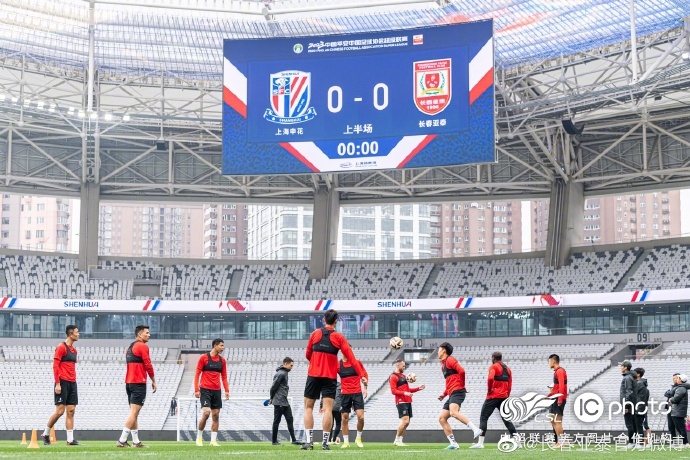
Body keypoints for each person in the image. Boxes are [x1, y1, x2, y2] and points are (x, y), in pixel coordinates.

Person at [302, 309, 366, 451]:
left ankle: (309, 442)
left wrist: (316, 363)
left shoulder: (314, 334)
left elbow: (307, 354)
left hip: (313, 375)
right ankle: (325, 443)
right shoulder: (339, 337)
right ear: (336, 321)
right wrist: (361, 375)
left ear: (324, 319)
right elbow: (352, 358)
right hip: (330, 377)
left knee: (308, 407)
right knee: (328, 410)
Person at [117, 325, 157, 448]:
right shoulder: (143, 346)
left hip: (129, 383)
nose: (149, 335)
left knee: (134, 413)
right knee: (134, 412)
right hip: (138, 382)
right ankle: (122, 440)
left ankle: (136, 441)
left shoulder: (129, 347)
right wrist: (153, 380)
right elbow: (148, 364)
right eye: (147, 333)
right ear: (140, 334)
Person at [437, 342, 480, 450]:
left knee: (453, 413)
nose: (438, 351)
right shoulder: (443, 366)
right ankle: (453, 444)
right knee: (442, 418)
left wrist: (462, 385)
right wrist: (444, 394)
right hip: (452, 392)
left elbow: (462, 371)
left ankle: (475, 429)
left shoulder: (450, 360)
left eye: (439, 349)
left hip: (458, 391)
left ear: (444, 350)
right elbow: (450, 382)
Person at [470, 351, 518, 449]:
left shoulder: (493, 367)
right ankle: (518, 442)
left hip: (493, 396)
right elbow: (510, 385)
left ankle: (480, 443)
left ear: (493, 358)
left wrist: (489, 390)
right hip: (504, 396)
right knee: (507, 420)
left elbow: (490, 378)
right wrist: (506, 396)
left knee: (484, 417)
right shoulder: (508, 369)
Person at [43, 325, 80, 446]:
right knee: (60, 411)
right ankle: (46, 433)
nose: (78, 334)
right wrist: (58, 384)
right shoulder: (61, 347)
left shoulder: (74, 350)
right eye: (77, 332)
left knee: (71, 411)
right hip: (62, 382)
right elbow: (55, 366)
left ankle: (70, 440)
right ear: (70, 334)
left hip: (72, 382)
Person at [194, 338, 230, 447]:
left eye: (223, 346)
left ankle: (213, 441)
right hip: (205, 390)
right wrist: (196, 389)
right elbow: (197, 374)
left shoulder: (222, 361)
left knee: (216, 415)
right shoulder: (203, 358)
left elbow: (224, 377)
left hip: (217, 391)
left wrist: (227, 390)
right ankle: (199, 438)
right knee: (206, 413)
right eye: (221, 345)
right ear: (215, 346)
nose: (223, 348)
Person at [389, 359, 425, 447]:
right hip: (401, 401)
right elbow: (393, 391)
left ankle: (400, 440)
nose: (404, 367)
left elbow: (408, 390)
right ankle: (396, 440)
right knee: (405, 421)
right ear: (398, 365)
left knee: (407, 422)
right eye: (403, 366)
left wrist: (418, 388)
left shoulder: (404, 376)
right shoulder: (393, 376)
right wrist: (405, 393)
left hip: (408, 401)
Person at [339, 354, 368, 448]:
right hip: (345, 394)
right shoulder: (339, 364)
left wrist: (365, 387)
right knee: (344, 417)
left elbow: (364, 375)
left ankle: (358, 438)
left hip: (357, 393)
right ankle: (346, 442)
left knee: (361, 417)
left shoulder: (357, 363)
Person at [270, 357, 301, 446]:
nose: (292, 367)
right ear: (285, 364)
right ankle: (274, 441)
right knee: (277, 421)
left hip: (284, 401)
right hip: (279, 401)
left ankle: (294, 440)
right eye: (291, 365)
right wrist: (271, 397)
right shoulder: (280, 374)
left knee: (290, 419)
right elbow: (273, 387)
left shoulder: (284, 373)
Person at [547, 354, 567, 448]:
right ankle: (560, 441)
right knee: (552, 419)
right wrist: (548, 396)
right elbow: (556, 388)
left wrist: (559, 399)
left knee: (557, 420)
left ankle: (562, 442)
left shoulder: (560, 371)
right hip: (555, 398)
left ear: (553, 361)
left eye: (549, 361)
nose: (549, 363)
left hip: (558, 398)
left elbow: (562, 386)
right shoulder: (556, 372)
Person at [665, 373, 690, 446]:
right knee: (676, 427)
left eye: (677, 378)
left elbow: (676, 398)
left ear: (680, 380)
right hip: (676, 410)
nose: (675, 380)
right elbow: (667, 394)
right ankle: (682, 443)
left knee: (680, 428)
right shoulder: (679, 387)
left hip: (678, 411)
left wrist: (671, 399)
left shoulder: (681, 388)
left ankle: (685, 443)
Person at [619, 360, 638, 449]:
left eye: (622, 366)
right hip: (632, 404)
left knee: (629, 424)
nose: (620, 368)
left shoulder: (627, 378)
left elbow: (628, 392)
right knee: (633, 424)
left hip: (628, 405)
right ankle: (635, 442)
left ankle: (631, 443)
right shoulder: (631, 377)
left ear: (625, 367)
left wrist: (626, 405)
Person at [633, 367, 649, 449]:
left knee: (638, 426)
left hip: (639, 407)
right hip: (641, 407)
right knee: (639, 426)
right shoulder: (643, 384)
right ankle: (640, 442)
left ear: (638, 374)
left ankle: (640, 443)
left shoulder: (639, 384)